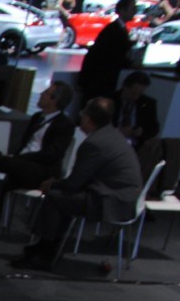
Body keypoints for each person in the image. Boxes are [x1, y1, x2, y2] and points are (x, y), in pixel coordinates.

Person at [12, 96, 142, 269]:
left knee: (55, 197)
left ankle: (44, 252)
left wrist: (52, 184)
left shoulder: (95, 143)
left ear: (88, 118)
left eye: (83, 114)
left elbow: (75, 182)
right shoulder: (110, 135)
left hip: (112, 200)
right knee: (63, 197)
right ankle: (46, 246)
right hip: (120, 196)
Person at [0, 81, 75, 189]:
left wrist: (20, 158)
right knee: (4, 176)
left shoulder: (65, 125)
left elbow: (50, 155)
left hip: (41, 168)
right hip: (23, 163)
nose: (41, 94)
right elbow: (25, 143)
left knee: (2, 163)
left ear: (54, 100)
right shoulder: (36, 117)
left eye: (46, 93)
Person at [77, 0, 135, 106]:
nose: (134, 12)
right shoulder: (114, 30)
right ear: (122, 10)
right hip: (101, 80)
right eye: (132, 8)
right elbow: (109, 55)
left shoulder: (118, 29)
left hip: (102, 80)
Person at [113, 71, 159, 149]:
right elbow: (98, 125)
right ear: (125, 87)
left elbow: (154, 128)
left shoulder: (148, 103)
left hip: (134, 144)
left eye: (139, 94)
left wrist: (142, 132)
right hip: (112, 140)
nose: (136, 97)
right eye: (133, 93)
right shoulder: (109, 100)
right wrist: (116, 131)